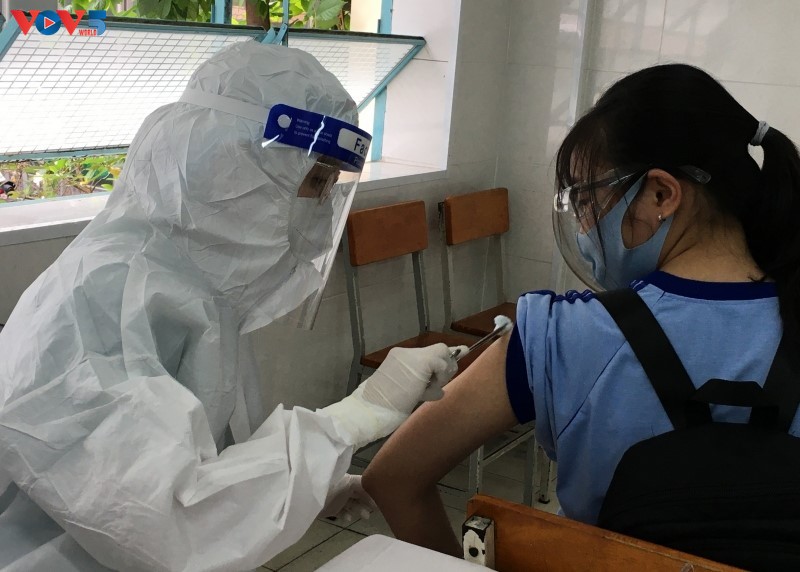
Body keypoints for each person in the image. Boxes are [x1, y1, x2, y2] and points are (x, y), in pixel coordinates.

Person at [0, 41, 463, 572]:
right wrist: (352, 418)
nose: (320, 206)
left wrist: (311, 486)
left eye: (332, 184)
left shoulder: (193, 289)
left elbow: (196, 458)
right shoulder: (106, 296)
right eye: (316, 180)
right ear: (232, 164)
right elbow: (170, 524)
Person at [362, 63, 800, 556]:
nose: (585, 225)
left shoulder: (555, 336)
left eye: (587, 201)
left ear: (661, 194)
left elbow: (393, 479)